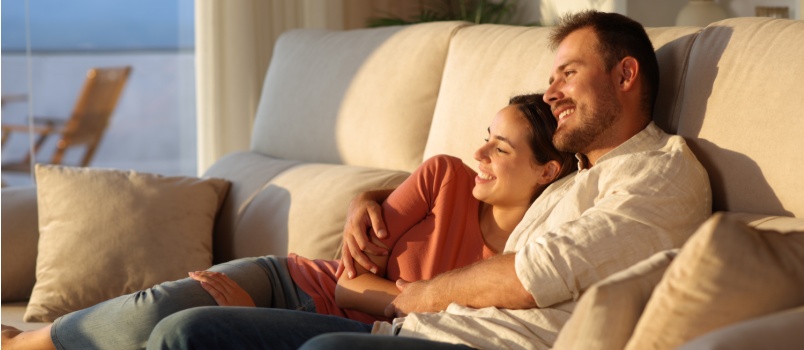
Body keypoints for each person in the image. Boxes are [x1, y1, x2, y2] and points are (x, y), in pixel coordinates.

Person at [140, 10, 712, 350]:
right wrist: (369, 197)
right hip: (415, 329)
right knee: (183, 332)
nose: (551, 92)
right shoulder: (568, 181)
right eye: (551, 77)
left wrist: (417, 296)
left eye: (568, 73)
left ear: (626, 74)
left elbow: (535, 273)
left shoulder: (661, 172)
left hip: (472, 342)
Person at [1, 94, 575, 350]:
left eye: (500, 149)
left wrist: (385, 294)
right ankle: (25, 342)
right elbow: (347, 280)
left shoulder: (528, 256)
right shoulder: (444, 176)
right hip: (295, 280)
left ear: (546, 171)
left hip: (332, 329)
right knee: (155, 309)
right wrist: (409, 293)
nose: (480, 153)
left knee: (177, 333)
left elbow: (389, 306)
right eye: (486, 137)